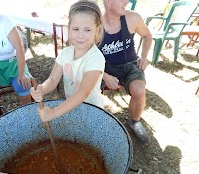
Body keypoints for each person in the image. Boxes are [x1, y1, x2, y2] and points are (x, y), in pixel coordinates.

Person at [31, 0, 105, 122]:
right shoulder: (65, 53)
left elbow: (82, 93)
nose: (81, 35)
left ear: (97, 30)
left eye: (87, 30)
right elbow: (53, 80)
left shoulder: (95, 58)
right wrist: (41, 89)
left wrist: (53, 113)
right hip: (71, 108)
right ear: (69, 29)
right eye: (76, 29)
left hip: (92, 113)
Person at [98, 0, 153, 144]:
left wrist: (144, 57)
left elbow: (147, 36)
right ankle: (94, 121)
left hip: (129, 66)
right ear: (109, 2)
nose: (127, 1)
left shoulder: (132, 18)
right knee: (85, 86)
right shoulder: (95, 24)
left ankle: (135, 122)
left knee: (139, 90)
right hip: (104, 67)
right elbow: (85, 55)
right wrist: (104, 75)